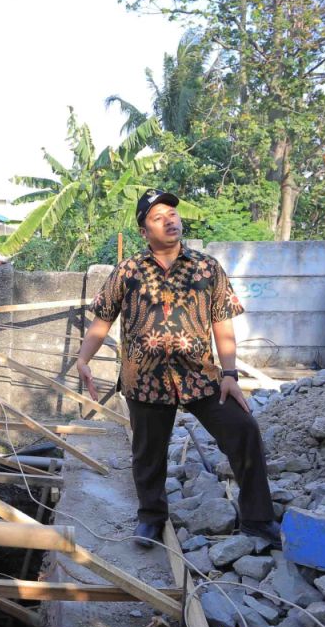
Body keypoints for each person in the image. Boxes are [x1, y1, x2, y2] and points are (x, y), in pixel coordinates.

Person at [75, 189, 281, 549]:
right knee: (147, 454)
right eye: (158, 217)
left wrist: (230, 375)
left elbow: (222, 323)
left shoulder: (207, 267)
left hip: (201, 376)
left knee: (244, 430)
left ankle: (258, 519)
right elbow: (103, 318)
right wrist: (82, 359)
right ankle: (151, 518)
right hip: (145, 379)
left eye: (172, 213)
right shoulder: (128, 270)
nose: (169, 220)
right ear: (144, 231)